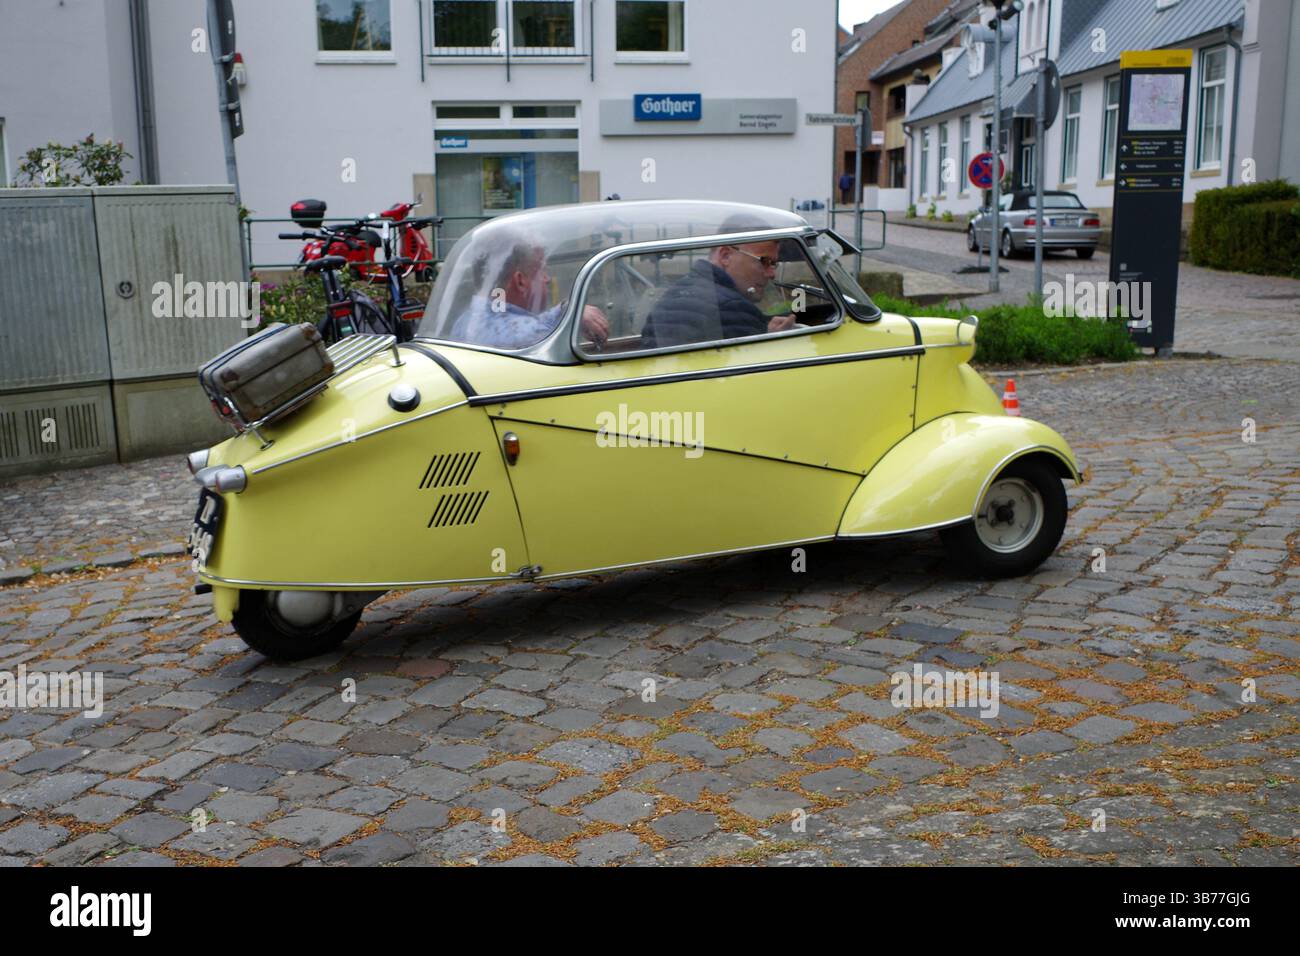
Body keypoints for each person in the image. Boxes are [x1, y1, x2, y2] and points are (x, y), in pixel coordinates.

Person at [640, 216, 796, 349]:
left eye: (774, 264)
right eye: (764, 261)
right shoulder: (735, 309)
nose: (772, 274)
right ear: (725, 256)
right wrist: (770, 342)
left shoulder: (675, 293)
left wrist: (765, 333)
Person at [450, 231, 609, 350]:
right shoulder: (532, 336)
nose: (547, 279)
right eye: (541, 270)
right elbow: (526, 330)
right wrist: (569, 313)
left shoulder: (464, 322)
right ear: (520, 281)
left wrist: (565, 311)